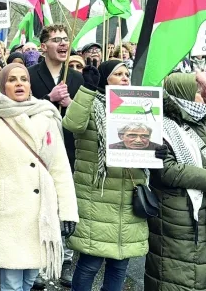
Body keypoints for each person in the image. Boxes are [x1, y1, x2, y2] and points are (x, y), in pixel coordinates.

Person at [0, 63, 78, 291]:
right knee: (11, 283)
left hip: (41, 210)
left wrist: (68, 211)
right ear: (2, 86)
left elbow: (60, 168)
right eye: (12, 80)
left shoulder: (46, 116)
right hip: (7, 211)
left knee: (30, 278)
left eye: (24, 79)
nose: (19, 83)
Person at [63, 60, 148, 291]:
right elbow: (72, 123)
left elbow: (146, 140)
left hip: (129, 198)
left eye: (126, 73)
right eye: (117, 73)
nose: (124, 78)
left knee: (120, 264)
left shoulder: (139, 106)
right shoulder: (91, 103)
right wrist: (88, 89)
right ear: (104, 78)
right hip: (97, 197)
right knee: (90, 263)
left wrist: (156, 149)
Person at [143, 73, 206, 291]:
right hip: (176, 212)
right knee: (177, 273)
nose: (204, 94)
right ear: (183, 92)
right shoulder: (160, 123)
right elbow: (166, 169)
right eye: (198, 90)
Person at [28, 25, 85, 288]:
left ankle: (65, 261)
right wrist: (47, 99)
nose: (63, 44)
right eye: (56, 40)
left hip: (70, 150)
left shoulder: (76, 78)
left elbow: (84, 119)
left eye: (66, 39)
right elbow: (21, 114)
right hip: (37, 152)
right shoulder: (29, 76)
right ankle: (38, 265)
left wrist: (70, 106)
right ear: (43, 47)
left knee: (66, 205)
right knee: (39, 206)